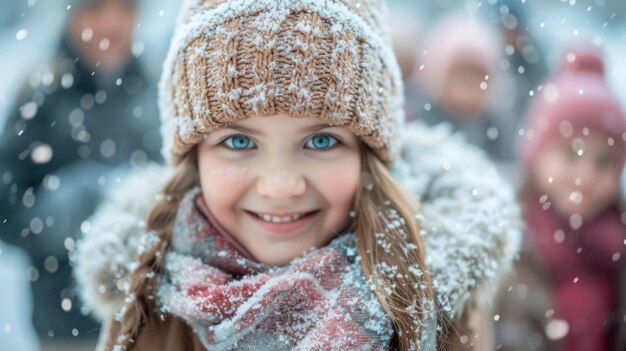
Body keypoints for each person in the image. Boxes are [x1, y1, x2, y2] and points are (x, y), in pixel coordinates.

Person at [75, 1, 521, 350]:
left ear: (369, 158)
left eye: (321, 141)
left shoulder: (434, 297)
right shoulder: (146, 296)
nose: (280, 185)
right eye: (238, 142)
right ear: (195, 159)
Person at [0, 0, 161, 344]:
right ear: (70, 13)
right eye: (95, 8)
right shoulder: (39, 96)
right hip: (69, 327)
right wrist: (69, 207)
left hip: (154, 320)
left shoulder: (156, 86)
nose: (111, 23)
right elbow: (6, 211)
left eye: (125, 8)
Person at [494, 45, 626, 351]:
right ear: (536, 157)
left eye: (604, 162)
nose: (586, 173)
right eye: (572, 153)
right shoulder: (507, 240)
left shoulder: (617, 248)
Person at [415, 12, 514, 163]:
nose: (467, 88)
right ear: (438, 77)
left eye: (476, 78)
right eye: (460, 77)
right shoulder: (423, 121)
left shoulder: (494, 128)